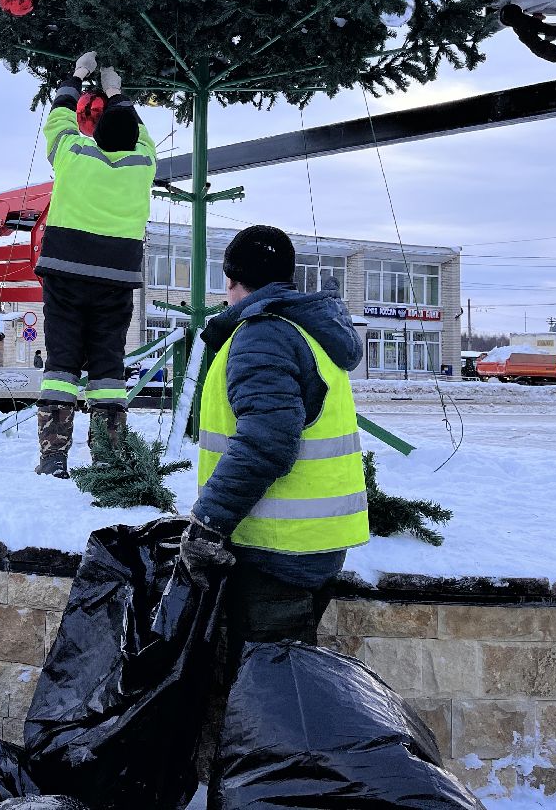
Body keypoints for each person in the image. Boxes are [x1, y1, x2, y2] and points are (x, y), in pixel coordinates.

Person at [178, 225, 368, 654]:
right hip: (313, 543)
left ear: (231, 280)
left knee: (271, 682)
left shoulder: (264, 334)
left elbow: (267, 441)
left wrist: (209, 521)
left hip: (276, 550)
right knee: (287, 674)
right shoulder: (306, 329)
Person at [34, 51, 156, 478]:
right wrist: (116, 90)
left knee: (61, 365)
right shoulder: (143, 163)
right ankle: (108, 456)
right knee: (108, 368)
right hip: (116, 280)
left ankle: (54, 456)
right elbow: (139, 130)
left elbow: (58, 119)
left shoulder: (74, 153)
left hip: (65, 274)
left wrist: (76, 76)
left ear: (96, 132)